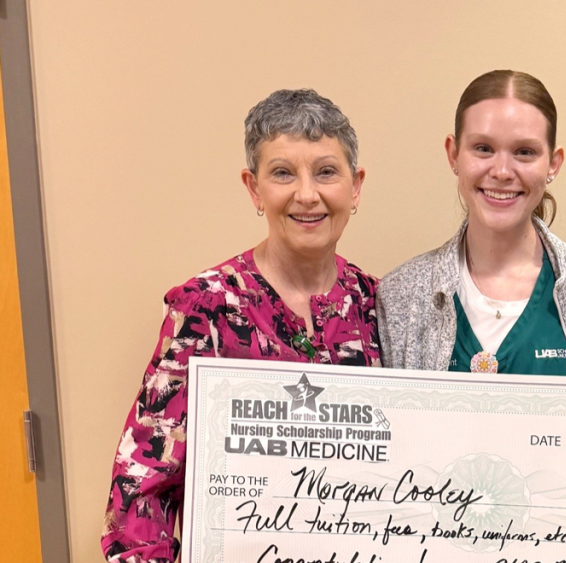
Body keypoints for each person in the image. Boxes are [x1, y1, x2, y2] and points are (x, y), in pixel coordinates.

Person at [101, 89, 380, 562]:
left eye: (326, 171)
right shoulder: (205, 308)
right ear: (254, 188)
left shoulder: (376, 305)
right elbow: (138, 492)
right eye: (283, 173)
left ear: (356, 186)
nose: (307, 194)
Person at [378, 70, 566, 377]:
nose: (501, 171)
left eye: (524, 152)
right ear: (453, 154)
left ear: (553, 164)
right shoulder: (401, 294)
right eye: (483, 149)